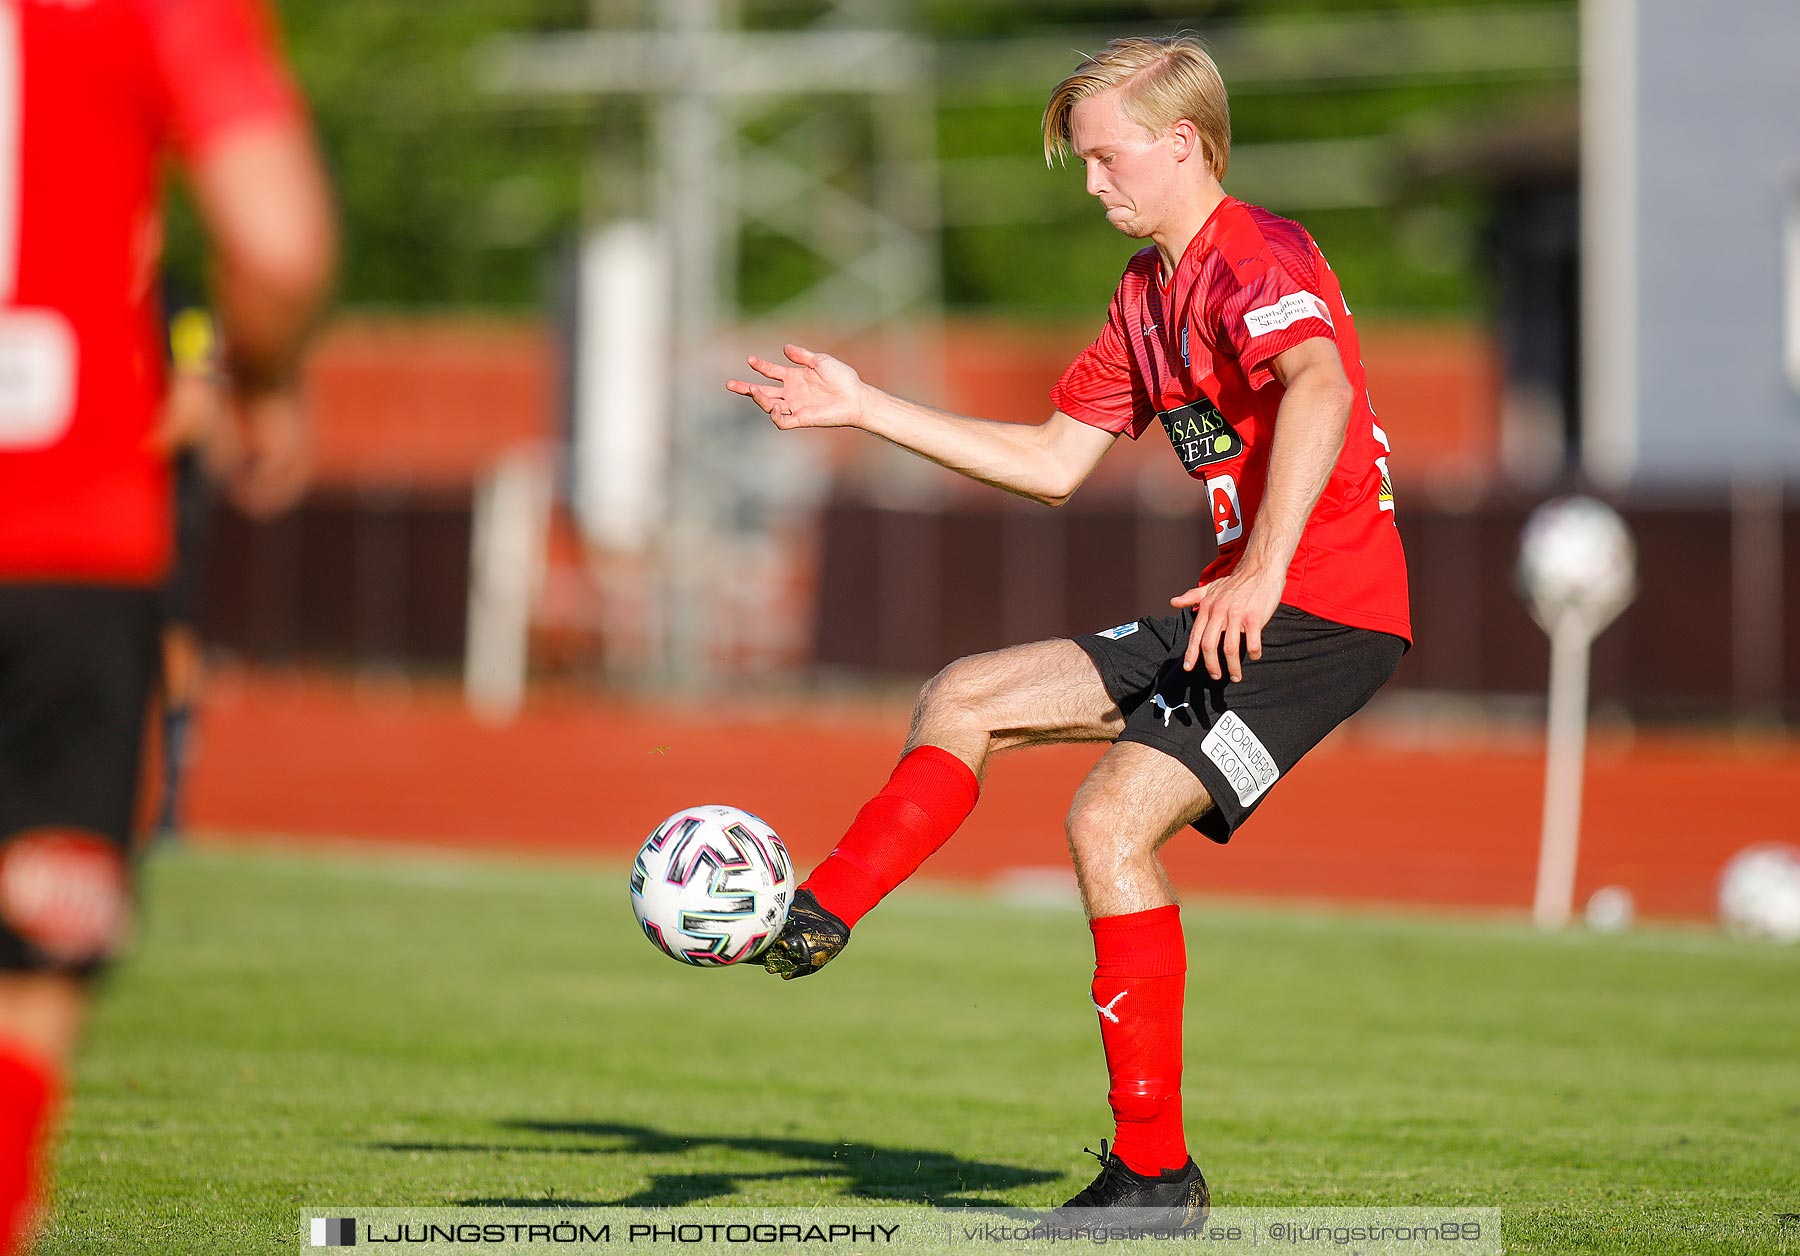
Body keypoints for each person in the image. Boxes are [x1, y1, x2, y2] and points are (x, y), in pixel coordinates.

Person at [727, 35, 1409, 1229]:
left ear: (1182, 143)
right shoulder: (1146, 299)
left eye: (1105, 157)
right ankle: (817, 911)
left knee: (1106, 821)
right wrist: (862, 404)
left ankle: (1154, 1177)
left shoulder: (1258, 251)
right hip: (1231, 606)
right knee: (965, 694)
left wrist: (1261, 566)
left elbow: (1321, 386)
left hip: (1320, 612)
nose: (1091, 183)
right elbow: (1051, 465)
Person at [0, 1, 335, 1251]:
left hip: (80, 527)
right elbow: (281, 241)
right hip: (60, 531)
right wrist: (268, 376)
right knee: (30, 955)